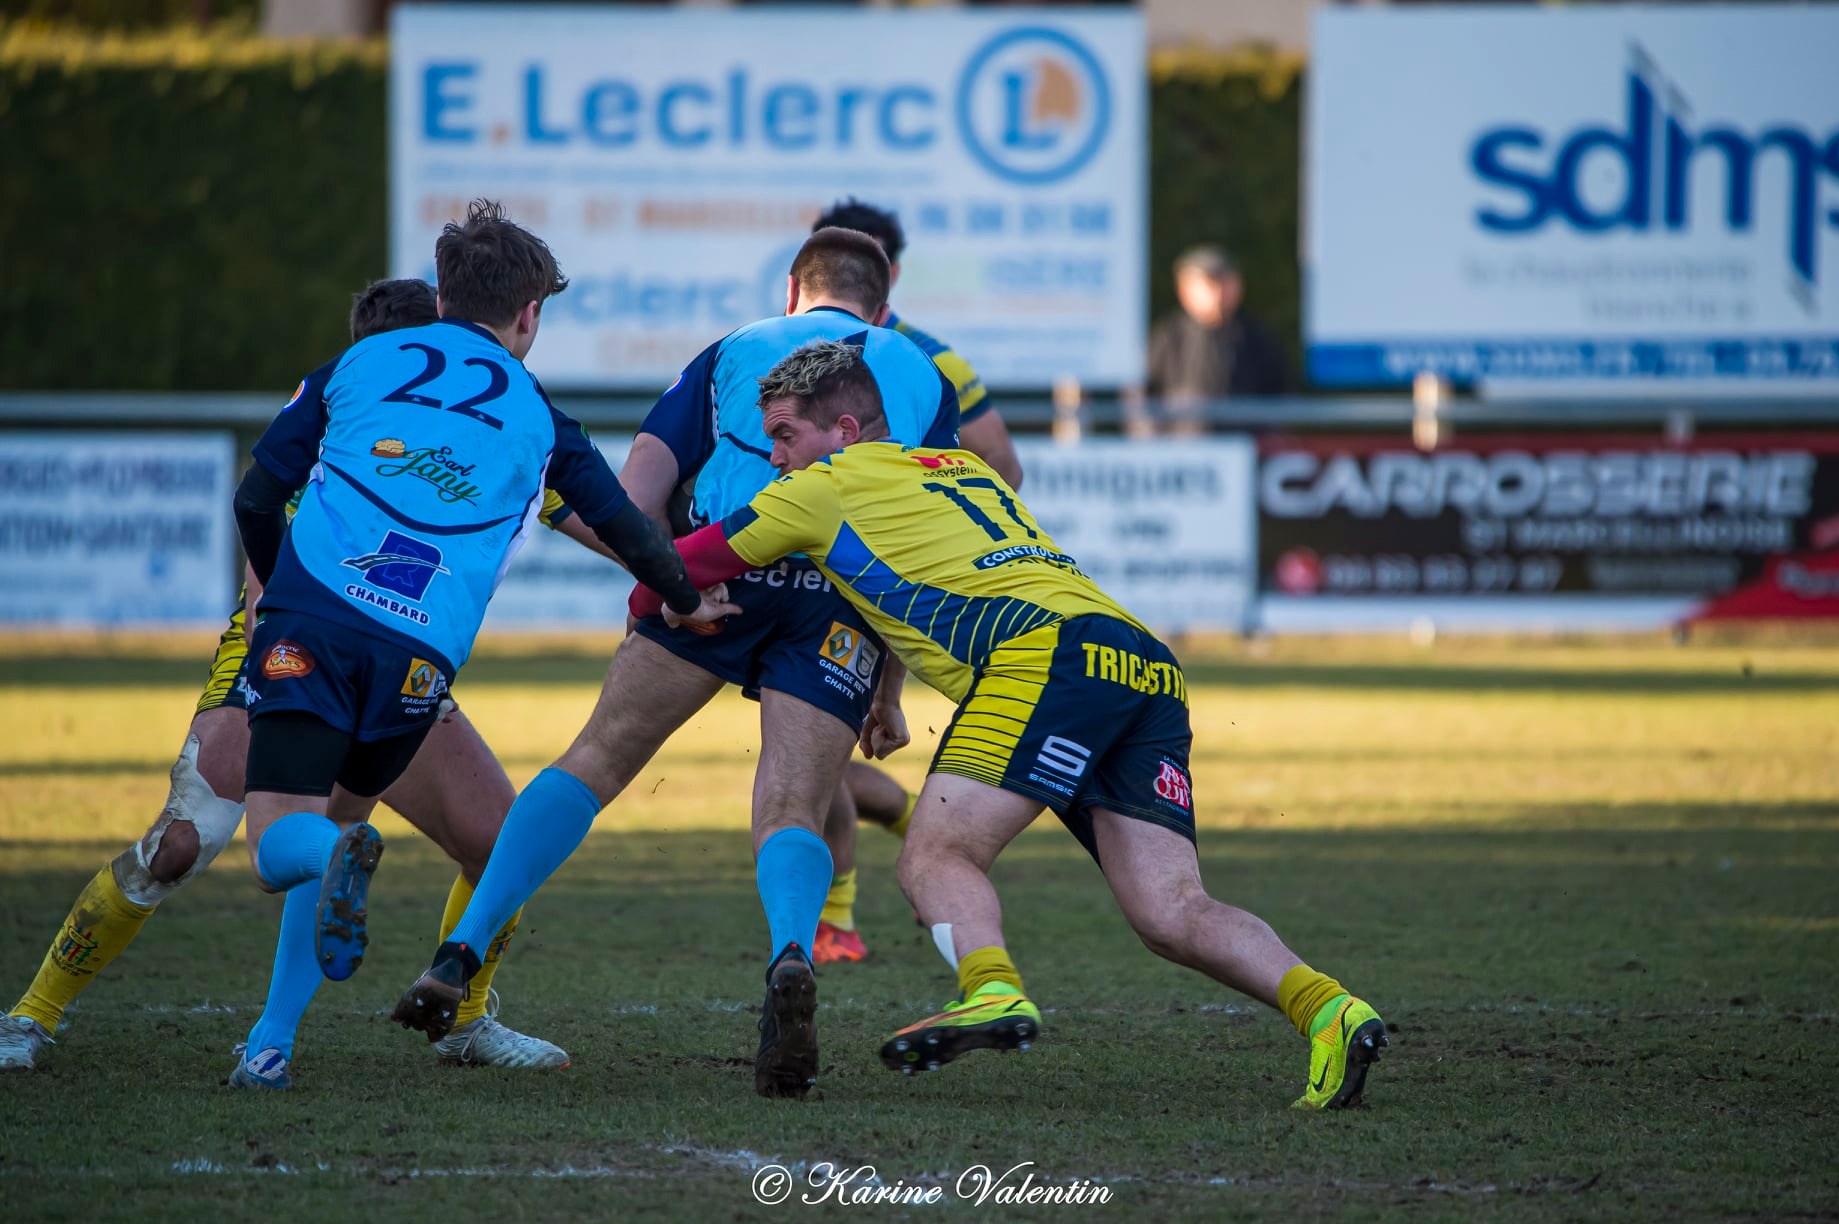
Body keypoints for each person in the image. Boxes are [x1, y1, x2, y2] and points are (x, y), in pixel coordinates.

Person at [626, 339, 1388, 1110]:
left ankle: (991, 988)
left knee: (934, 859)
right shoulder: (967, 468)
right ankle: (1331, 1011)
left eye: (785, 435)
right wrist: (888, 692)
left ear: (846, 430)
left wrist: (666, 599)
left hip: (1043, 659)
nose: (775, 455)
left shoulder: (818, 487)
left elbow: (669, 569)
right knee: (1171, 912)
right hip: (1141, 660)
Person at [390, 226, 958, 1100]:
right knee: (791, 805)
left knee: (596, 759)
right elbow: (926, 538)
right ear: (884, 309)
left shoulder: (734, 349)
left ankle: (464, 948)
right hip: (842, 598)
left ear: (790, 293)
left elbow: (641, 489)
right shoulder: (923, 373)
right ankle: (791, 956)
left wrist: (661, 597)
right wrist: (889, 687)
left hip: (720, 563)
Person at [0, 277, 610, 1076]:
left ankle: (452, 1020)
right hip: (280, 667)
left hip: (398, 673)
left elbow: (587, 509)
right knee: (183, 843)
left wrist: (685, 572)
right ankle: (32, 1014)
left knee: (501, 844)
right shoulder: (339, 431)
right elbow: (265, 578)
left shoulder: (478, 439)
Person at [225, 203, 723, 1090]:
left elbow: (258, 497)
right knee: (336, 816)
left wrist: (281, 600)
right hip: (418, 660)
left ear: (441, 289)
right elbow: (629, 531)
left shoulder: (359, 363)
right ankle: (270, 1044)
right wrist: (684, 600)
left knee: (282, 843)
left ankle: (286, 1021)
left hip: (314, 630)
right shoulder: (539, 417)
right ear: (530, 314)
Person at [806, 199, 1026, 964]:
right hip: (809, 575)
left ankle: (835, 919)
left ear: (886, 276)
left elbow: (1005, 465)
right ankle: (871, 870)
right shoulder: (793, 352)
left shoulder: (932, 361)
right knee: (818, 759)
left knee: (814, 761)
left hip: (881, 584)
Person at [1135, 245, 1289, 436]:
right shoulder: (1167, 337)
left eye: (1226, 282)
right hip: (1181, 451)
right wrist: (1152, 444)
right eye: (1209, 283)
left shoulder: (1256, 338)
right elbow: (1140, 396)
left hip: (1243, 451)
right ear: (1184, 289)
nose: (1219, 292)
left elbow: (1279, 396)